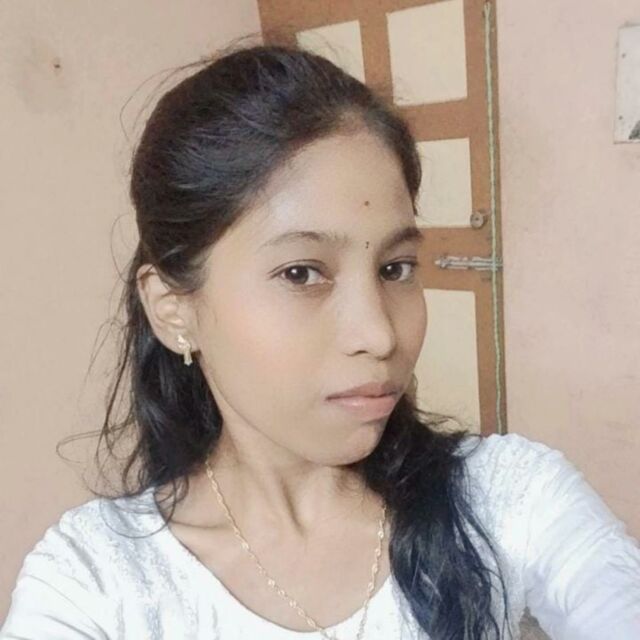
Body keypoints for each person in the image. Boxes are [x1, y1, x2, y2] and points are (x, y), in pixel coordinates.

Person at [2, 41, 639, 640]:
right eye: (301, 274)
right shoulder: (92, 586)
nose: (380, 334)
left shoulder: (510, 499)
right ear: (173, 310)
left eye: (395, 268)